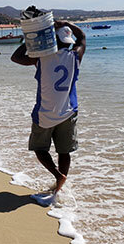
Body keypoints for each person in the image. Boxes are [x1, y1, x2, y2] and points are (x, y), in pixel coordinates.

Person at [11, 18, 86, 207]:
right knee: (64, 151)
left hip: (45, 112)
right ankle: (60, 187)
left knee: (39, 148)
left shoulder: (41, 59)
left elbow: (16, 57)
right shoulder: (75, 56)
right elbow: (82, 38)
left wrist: (30, 38)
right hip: (68, 111)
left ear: (54, 40)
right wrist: (68, 23)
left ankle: (57, 176)